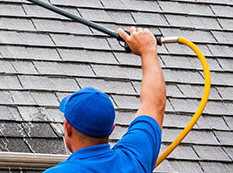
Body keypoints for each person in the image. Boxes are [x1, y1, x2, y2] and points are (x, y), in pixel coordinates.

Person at [44, 27, 165, 173]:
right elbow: (154, 104)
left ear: (68, 128)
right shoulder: (134, 159)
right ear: (111, 128)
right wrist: (148, 50)